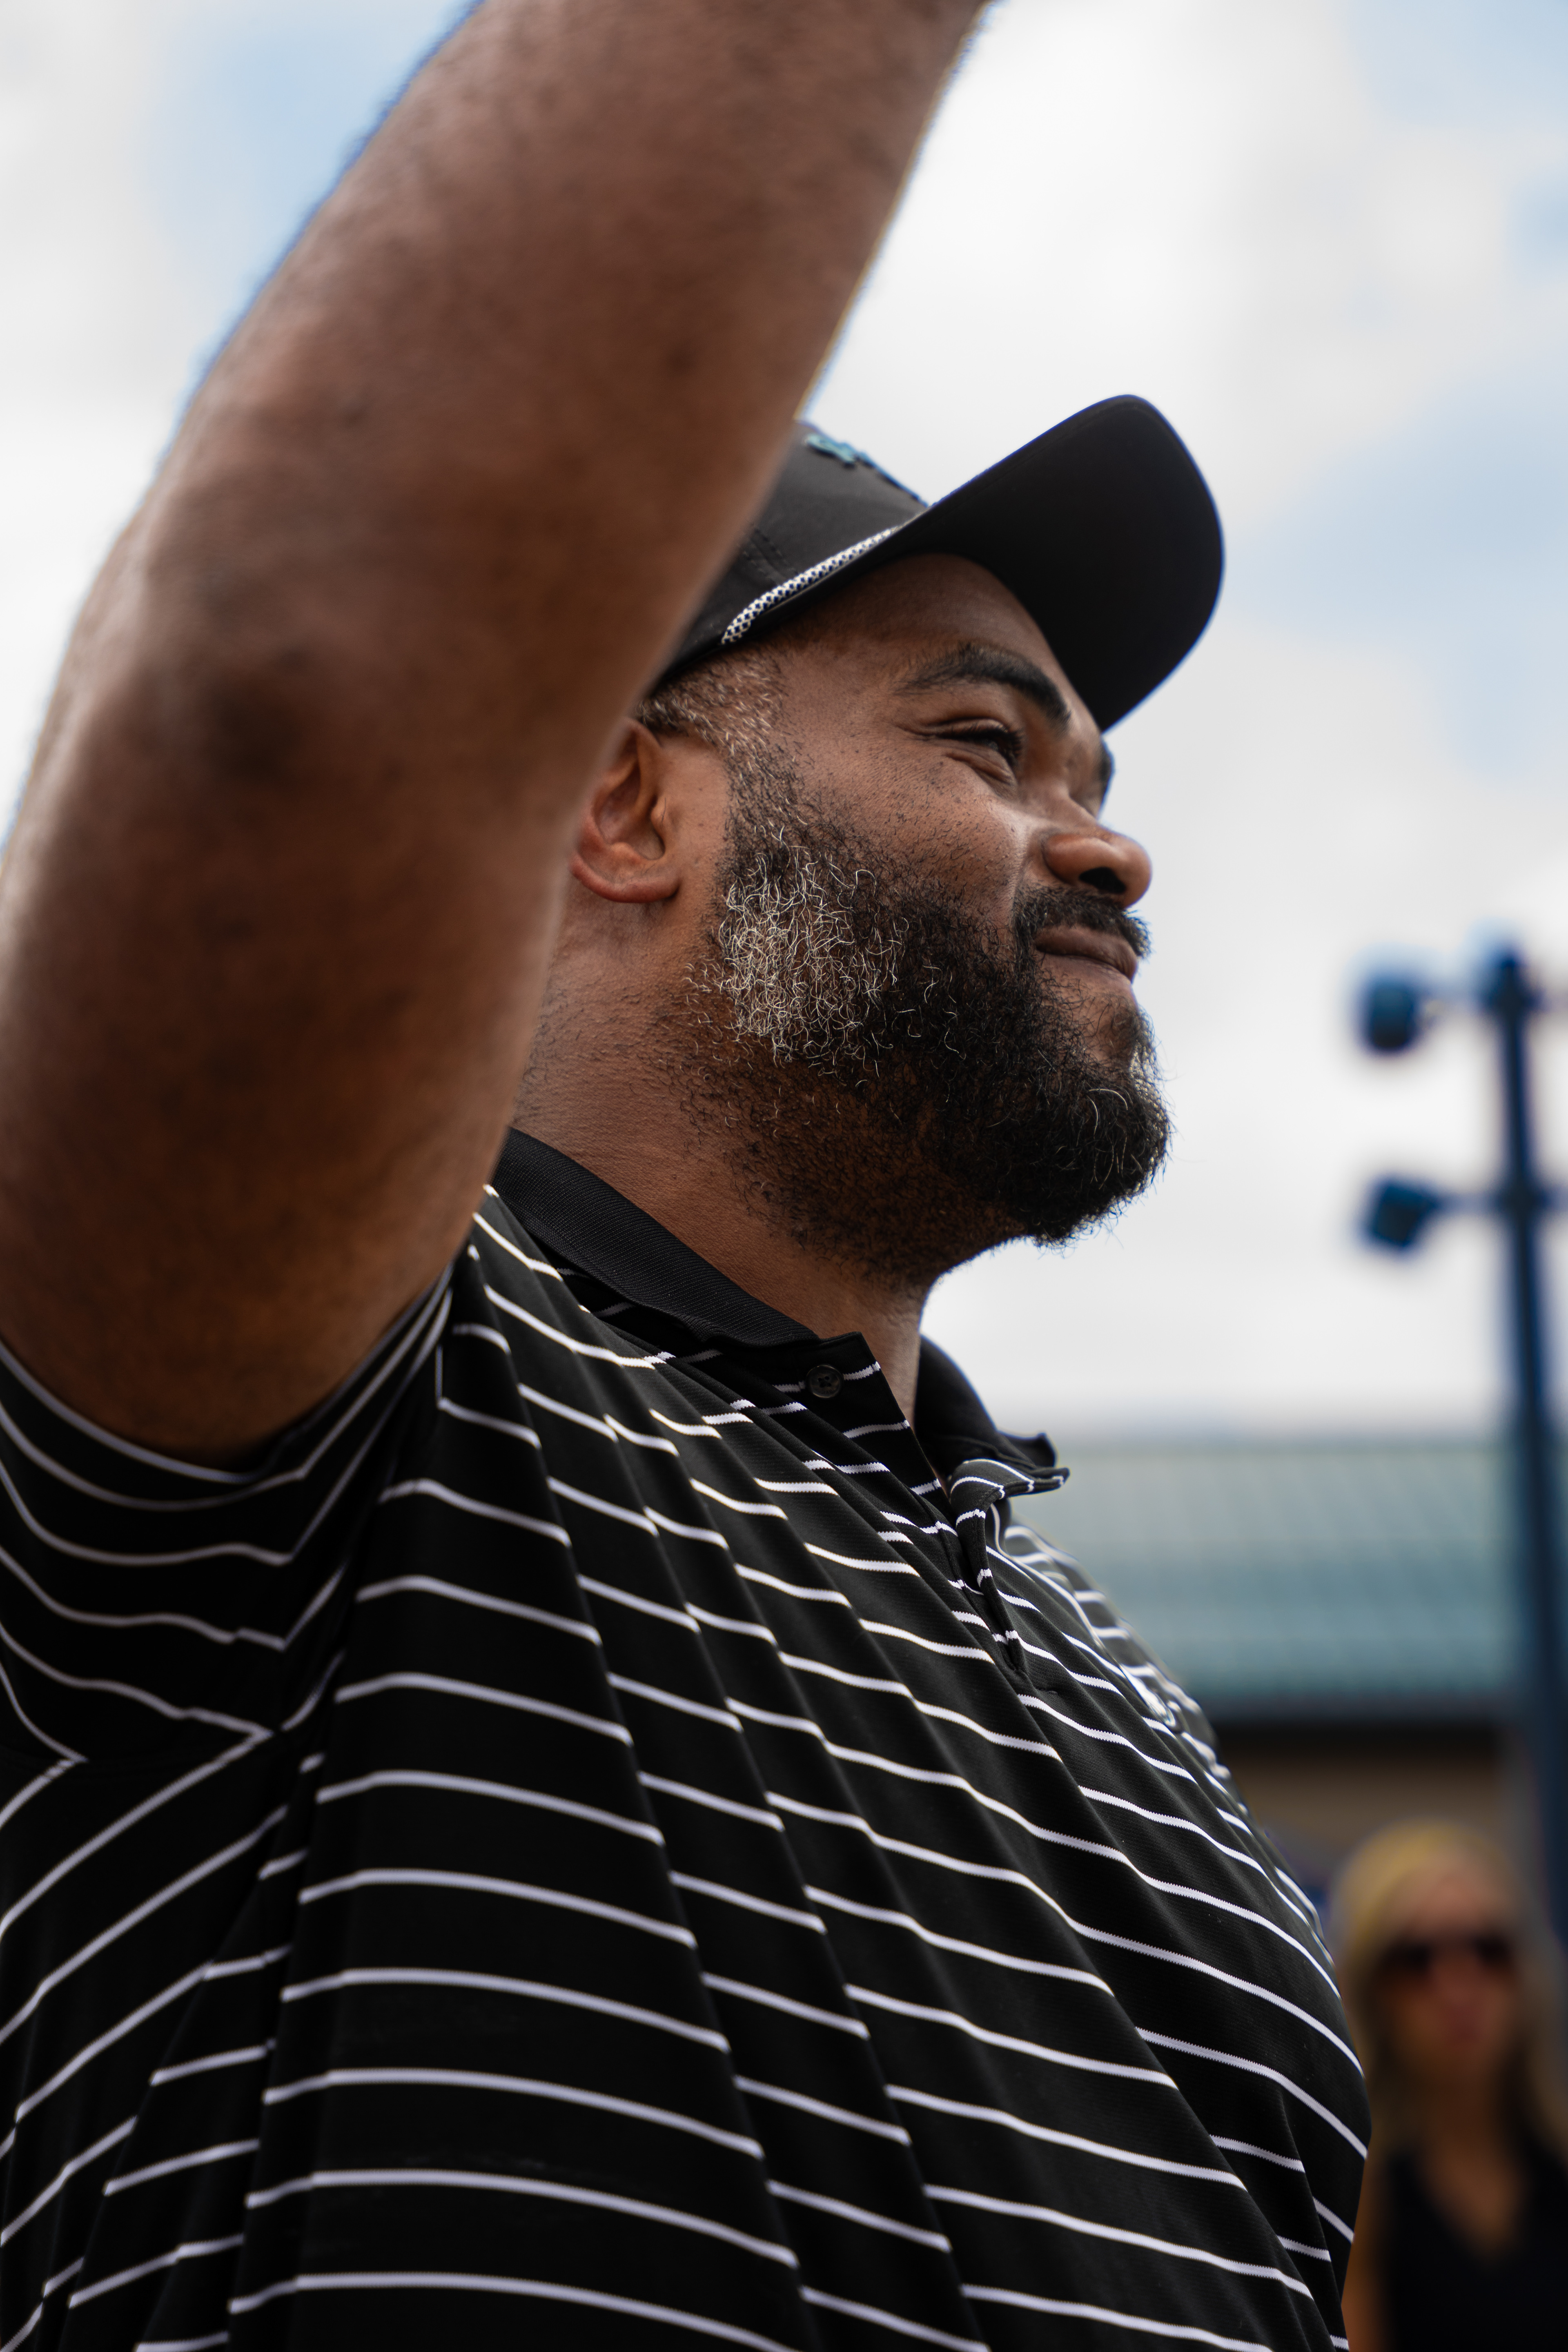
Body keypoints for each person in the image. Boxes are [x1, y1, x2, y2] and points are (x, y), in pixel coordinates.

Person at [0, 3, 1368, 2346]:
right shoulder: (350, 1421)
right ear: (617, 804)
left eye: (1100, 772)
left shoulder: (1143, 1727)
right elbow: (300, 672)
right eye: (986, 739)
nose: (1107, 844)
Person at [1333, 1820, 1568, 2352]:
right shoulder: (1362, 2201)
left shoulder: (1560, 2171)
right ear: (1372, 1993)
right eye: (1417, 1959)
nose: (1459, 1985)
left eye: (1489, 1949)